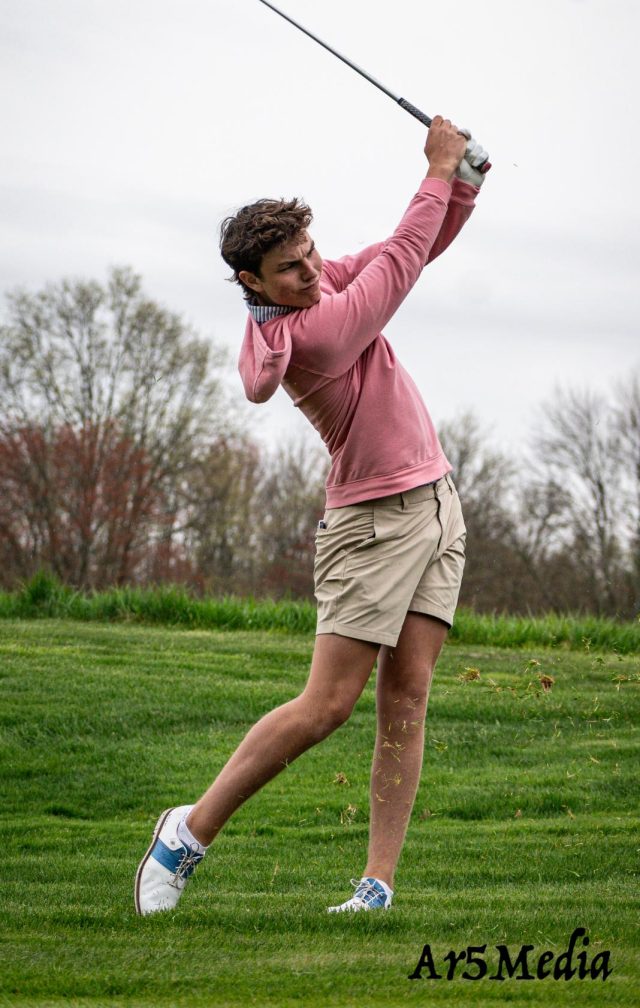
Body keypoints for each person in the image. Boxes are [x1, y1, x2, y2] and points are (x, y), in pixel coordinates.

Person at [135, 116, 489, 916]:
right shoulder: (319, 332)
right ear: (253, 284)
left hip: (436, 507)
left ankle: (376, 886)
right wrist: (436, 167)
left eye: (309, 255)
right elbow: (397, 266)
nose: (310, 273)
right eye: (288, 271)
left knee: (409, 697)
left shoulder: (325, 285)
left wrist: (461, 186)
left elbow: (416, 248)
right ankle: (186, 833)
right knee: (327, 706)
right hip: (370, 527)